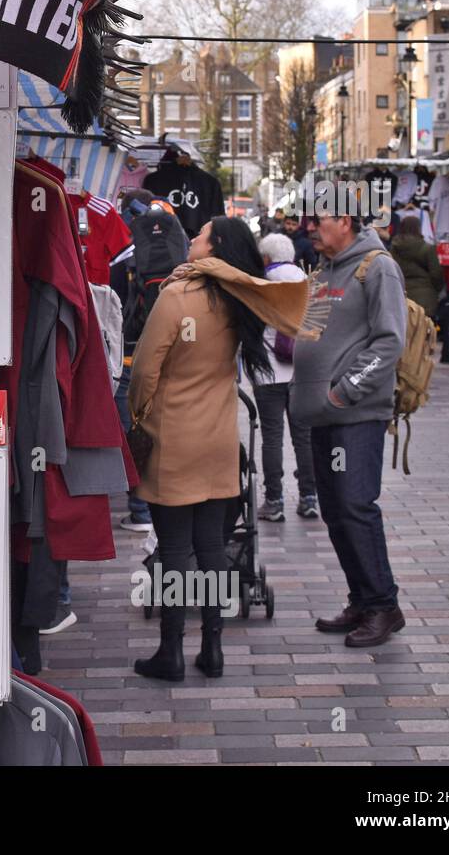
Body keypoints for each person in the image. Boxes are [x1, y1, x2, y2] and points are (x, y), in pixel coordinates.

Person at [128, 217, 321, 681]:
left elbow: (144, 371)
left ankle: (171, 651)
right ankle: (212, 648)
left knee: (175, 548)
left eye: (199, 235)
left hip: (173, 438)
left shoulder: (176, 297)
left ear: (214, 247)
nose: (191, 239)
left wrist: (137, 417)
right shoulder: (237, 299)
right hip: (219, 439)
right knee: (211, 545)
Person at [291, 204, 407, 647]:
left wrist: (344, 391)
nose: (311, 229)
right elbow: (311, 332)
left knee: (356, 506)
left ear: (346, 221)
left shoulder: (378, 269)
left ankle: (383, 605)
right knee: (336, 509)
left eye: (319, 220)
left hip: (354, 416)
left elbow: (390, 340)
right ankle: (362, 598)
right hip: (324, 414)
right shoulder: (322, 270)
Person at [110, 189, 188, 535]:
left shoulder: (124, 258)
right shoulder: (179, 256)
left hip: (131, 352)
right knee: (170, 426)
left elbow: (113, 307)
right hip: (173, 353)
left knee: (134, 428)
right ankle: (173, 496)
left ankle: (140, 509)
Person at [250, 233, 318, 521]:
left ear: (266, 257)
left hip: (268, 372)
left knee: (272, 437)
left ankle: (274, 501)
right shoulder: (307, 281)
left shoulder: (260, 282)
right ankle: (309, 497)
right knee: (304, 437)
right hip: (302, 371)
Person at [389, 214, 443, 318]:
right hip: (425, 300)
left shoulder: (394, 248)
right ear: (418, 228)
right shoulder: (428, 249)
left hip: (401, 297)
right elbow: (436, 274)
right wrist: (436, 290)